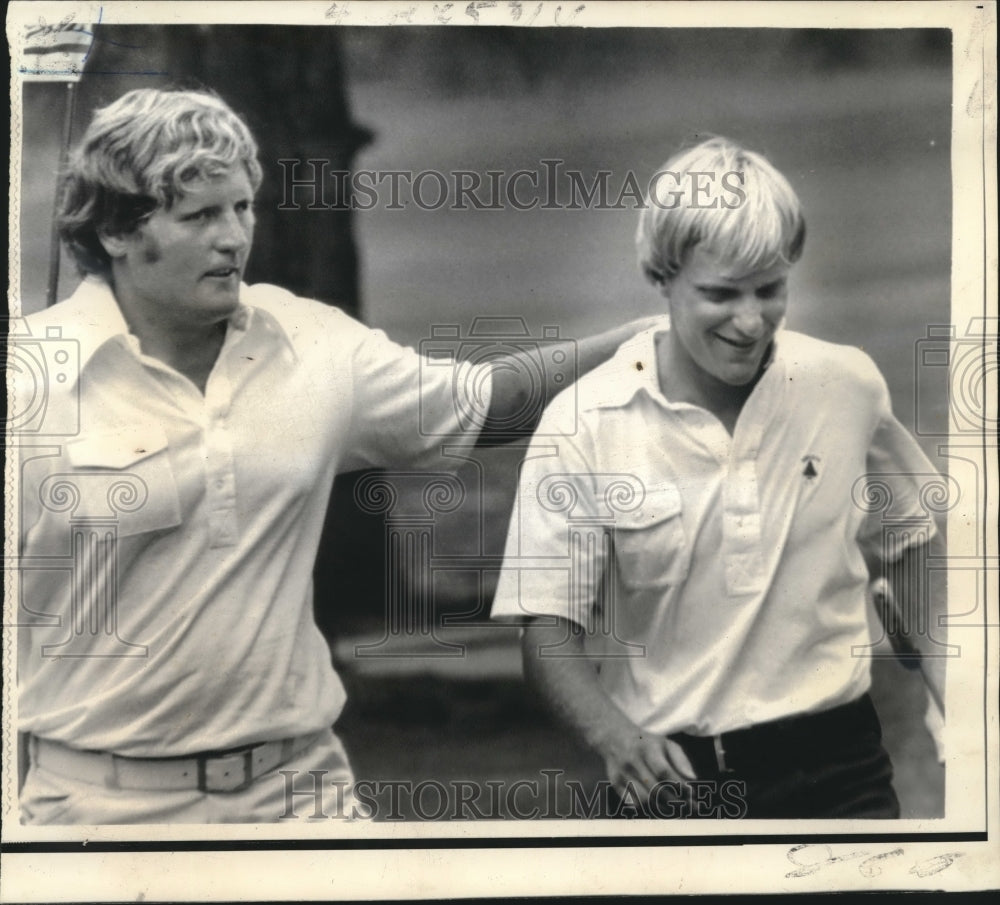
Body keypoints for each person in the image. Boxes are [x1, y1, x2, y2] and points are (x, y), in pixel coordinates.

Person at [14, 88, 654, 825]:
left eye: (242, 207)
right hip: (98, 811)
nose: (234, 238)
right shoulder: (31, 382)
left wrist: (647, 337)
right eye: (200, 216)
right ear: (119, 233)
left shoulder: (311, 343)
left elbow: (487, 404)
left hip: (301, 798)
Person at [491, 136, 947, 819]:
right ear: (661, 277)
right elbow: (546, 629)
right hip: (674, 786)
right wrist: (613, 736)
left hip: (844, 773)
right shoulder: (583, 421)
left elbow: (912, 541)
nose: (750, 319)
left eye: (770, 290)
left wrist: (956, 694)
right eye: (720, 293)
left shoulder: (846, 386)